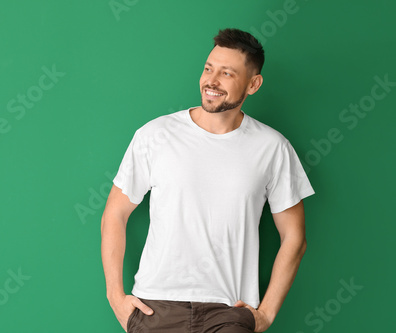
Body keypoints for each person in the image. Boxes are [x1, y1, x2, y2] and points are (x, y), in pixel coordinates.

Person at [101, 28, 315, 333]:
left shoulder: (273, 147)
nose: (211, 81)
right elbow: (115, 212)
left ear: (253, 84)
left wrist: (266, 313)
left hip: (229, 312)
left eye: (226, 73)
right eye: (208, 68)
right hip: (155, 308)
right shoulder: (155, 135)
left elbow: (295, 238)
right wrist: (115, 297)